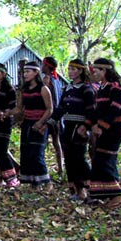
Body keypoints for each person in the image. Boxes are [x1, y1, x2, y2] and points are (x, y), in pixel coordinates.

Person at [51, 59, 96, 200]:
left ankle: (90, 189)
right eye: (69, 69)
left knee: (79, 159)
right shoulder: (68, 88)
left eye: (73, 69)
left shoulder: (87, 89)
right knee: (69, 160)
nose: (70, 72)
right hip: (67, 128)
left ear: (81, 71)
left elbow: (92, 111)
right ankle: (76, 190)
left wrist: (86, 126)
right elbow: (61, 108)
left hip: (80, 129)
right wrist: (49, 122)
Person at [87, 58, 121, 209]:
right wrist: (87, 126)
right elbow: (98, 112)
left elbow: (114, 109)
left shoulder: (115, 88)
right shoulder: (101, 89)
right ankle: (107, 195)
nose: (94, 73)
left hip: (113, 131)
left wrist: (102, 126)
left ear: (104, 71)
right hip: (104, 131)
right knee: (101, 161)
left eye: (96, 70)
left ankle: (119, 195)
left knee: (104, 161)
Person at [16, 61, 53, 188]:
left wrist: (40, 122)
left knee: (37, 153)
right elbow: (19, 108)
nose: (25, 74)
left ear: (36, 72)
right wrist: (5, 113)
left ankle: (47, 182)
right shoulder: (23, 90)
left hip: (39, 124)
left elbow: (50, 109)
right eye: (24, 72)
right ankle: (34, 183)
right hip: (27, 124)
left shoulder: (43, 89)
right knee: (26, 153)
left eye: (28, 72)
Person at [42, 56, 65, 177]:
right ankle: (60, 167)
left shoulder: (47, 80)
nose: (42, 66)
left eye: (43, 64)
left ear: (47, 66)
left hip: (50, 115)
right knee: (57, 142)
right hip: (57, 116)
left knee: (45, 143)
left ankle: (44, 168)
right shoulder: (57, 80)